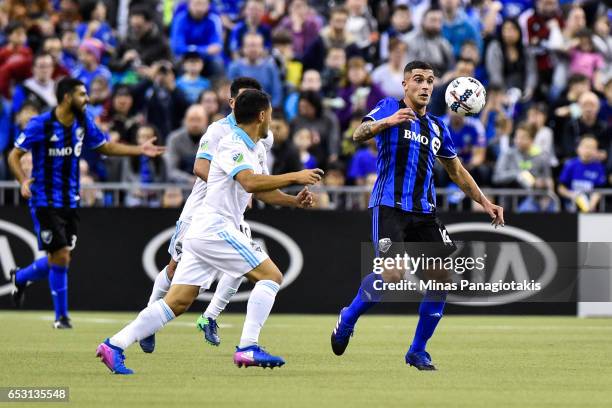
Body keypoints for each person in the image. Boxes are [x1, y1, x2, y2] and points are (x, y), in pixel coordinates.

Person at [96, 89, 323, 374]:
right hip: (217, 227)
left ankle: (113, 345)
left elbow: (261, 191)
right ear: (262, 115)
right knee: (271, 275)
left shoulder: (255, 146)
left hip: (205, 231)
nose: (272, 120)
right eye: (271, 114)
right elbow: (250, 182)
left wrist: (292, 201)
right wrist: (296, 176)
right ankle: (248, 347)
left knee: (177, 302)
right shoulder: (231, 143)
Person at [330, 60, 504, 370]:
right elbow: (358, 133)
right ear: (406, 84)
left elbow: (457, 171)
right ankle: (348, 316)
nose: (425, 86)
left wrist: (484, 201)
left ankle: (417, 350)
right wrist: (387, 122)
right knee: (393, 274)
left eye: (430, 81)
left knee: (442, 279)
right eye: (418, 80)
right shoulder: (388, 106)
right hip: (389, 207)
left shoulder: (438, 126)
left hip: (424, 213)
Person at [7, 77, 165, 329]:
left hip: (70, 200)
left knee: (62, 257)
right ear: (67, 97)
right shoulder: (41, 124)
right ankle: (61, 318)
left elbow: (105, 147)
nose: (87, 98)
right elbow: (14, 154)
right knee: (60, 256)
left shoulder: (83, 123)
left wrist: (139, 150)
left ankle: (22, 276)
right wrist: (23, 181)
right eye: (82, 94)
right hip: (44, 200)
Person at [138, 78, 273, 353]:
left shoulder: (264, 136)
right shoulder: (218, 130)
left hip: (231, 212)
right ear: (232, 102)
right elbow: (200, 167)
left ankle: (210, 316)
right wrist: (235, 182)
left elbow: (260, 173)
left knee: (245, 264)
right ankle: (148, 318)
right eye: (242, 99)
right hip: (202, 209)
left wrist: (250, 190)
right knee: (175, 268)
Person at [558, 135, 606, 212]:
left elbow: (599, 190)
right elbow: (561, 188)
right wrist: (572, 195)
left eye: (592, 148)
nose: (588, 151)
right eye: (585, 147)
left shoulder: (599, 167)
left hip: (591, 208)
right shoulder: (570, 165)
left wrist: (591, 205)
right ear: (578, 149)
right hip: (571, 207)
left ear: (597, 151)